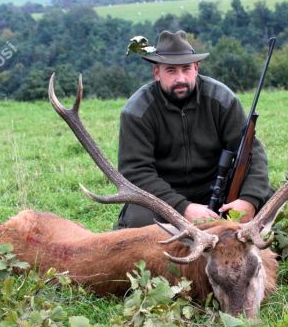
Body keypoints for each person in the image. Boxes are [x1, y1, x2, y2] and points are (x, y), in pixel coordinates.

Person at [116, 30, 274, 229]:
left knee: (267, 200)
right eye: (171, 70)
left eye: (186, 69)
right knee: (139, 221)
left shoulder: (221, 99)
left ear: (196, 68)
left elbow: (253, 154)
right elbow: (135, 173)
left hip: (217, 190)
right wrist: (182, 208)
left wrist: (248, 201)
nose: (180, 78)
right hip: (164, 197)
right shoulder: (137, 111)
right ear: (157, 73)